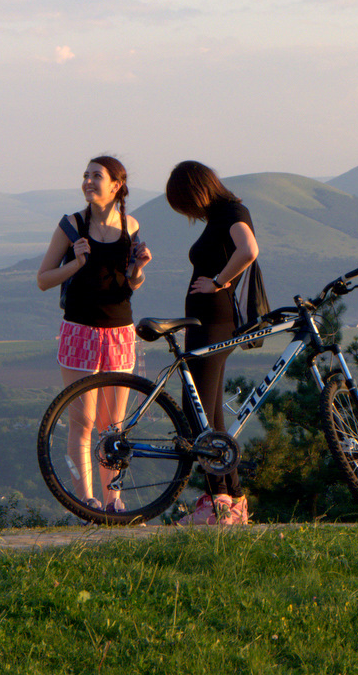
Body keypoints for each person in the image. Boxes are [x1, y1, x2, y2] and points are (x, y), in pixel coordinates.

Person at [37, 156, 151, 513]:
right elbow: (43, 279)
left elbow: (131, 284)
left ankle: (113, 502)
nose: (87, 181)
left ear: (116, 185)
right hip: (80, 331)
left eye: (95, 176)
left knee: (112, 426)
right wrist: (76, 262)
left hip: (119, 331)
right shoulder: (71, 226)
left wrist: (139, 268)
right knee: (81, 421)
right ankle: (86, 503)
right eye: (85, 175)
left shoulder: (130, 225)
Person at [165, 160, 259, 526]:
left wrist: (218, 281)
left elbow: (249, 249)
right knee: (210, 411)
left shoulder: (232, 211)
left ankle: (218, 500)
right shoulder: (222, 214)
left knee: (197, 412)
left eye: (185, 202)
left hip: (215, 322)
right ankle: (231, 500)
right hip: (208, 323)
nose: (188, 211)